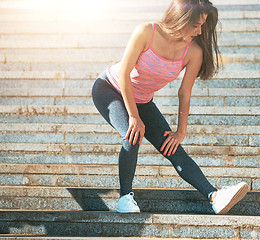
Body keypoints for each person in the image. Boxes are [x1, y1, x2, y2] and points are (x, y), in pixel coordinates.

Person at [92, 0, 248, 214]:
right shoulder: (146, 32)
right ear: (182, 19)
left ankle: (214, 196)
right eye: (196, 25)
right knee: (132, 134)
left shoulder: (194, 52)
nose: (200, 30)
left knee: (173, 147)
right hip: (110, 88)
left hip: (143, 100)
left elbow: (184, 92)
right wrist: (134, 116)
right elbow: (124, 74)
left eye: (203, 25)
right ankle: (124, 199)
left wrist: (180, 132)